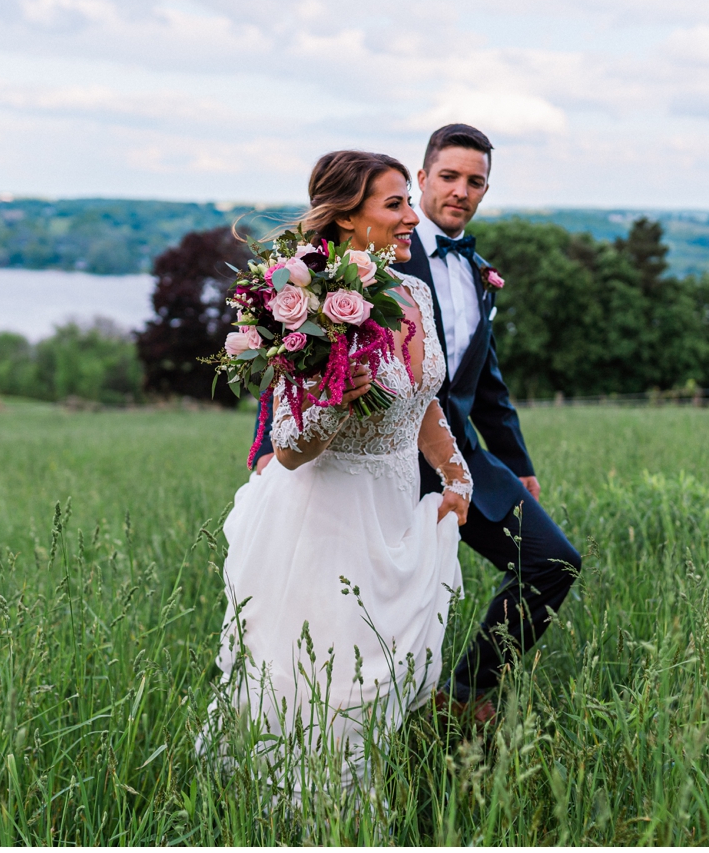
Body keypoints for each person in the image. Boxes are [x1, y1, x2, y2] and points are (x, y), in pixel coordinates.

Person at [251, 123, 582, 726]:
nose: (460, 191)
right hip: (352, 469)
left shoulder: (467, 275)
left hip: (447, 451)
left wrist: (515, 463)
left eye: (475, 181)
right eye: (447, 177)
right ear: (425, 177)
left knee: (550, 564)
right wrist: (267, 448)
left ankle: (462, 697)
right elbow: (299, 362)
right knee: (352, 632)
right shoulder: (332, 275)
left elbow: (478, 380)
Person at [209, 149, 474, 781]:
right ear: (349, 221)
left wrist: (456, 472)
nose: (413, 215)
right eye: (395, 204)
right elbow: (291, 449)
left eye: (410, 200)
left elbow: (423, 400)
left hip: (394, 511)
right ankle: (302, 813)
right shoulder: (311, 304)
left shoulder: (411, 293)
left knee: (381, 682)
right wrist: (333, 404)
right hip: (324, 521)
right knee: (323, 686)